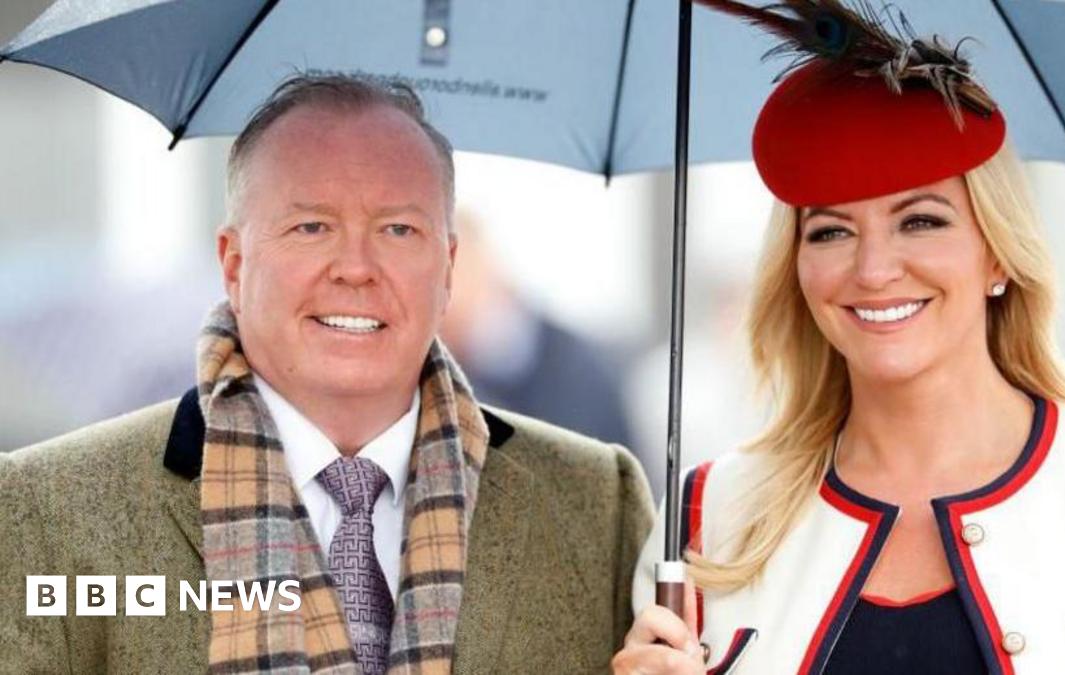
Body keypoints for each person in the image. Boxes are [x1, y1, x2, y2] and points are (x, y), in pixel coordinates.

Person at [613, 2, 1065, 673]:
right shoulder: (705, 517)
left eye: (921, 221)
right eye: (831, 230)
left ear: (999, 254)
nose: (874, 270)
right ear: (796, 268)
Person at [0, 74, 653, 674]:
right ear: (233, 260)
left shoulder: (596, 504)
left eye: (398, 229)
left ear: (448, 266)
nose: (356, 268)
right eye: (311, 226)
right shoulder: (51, 509)